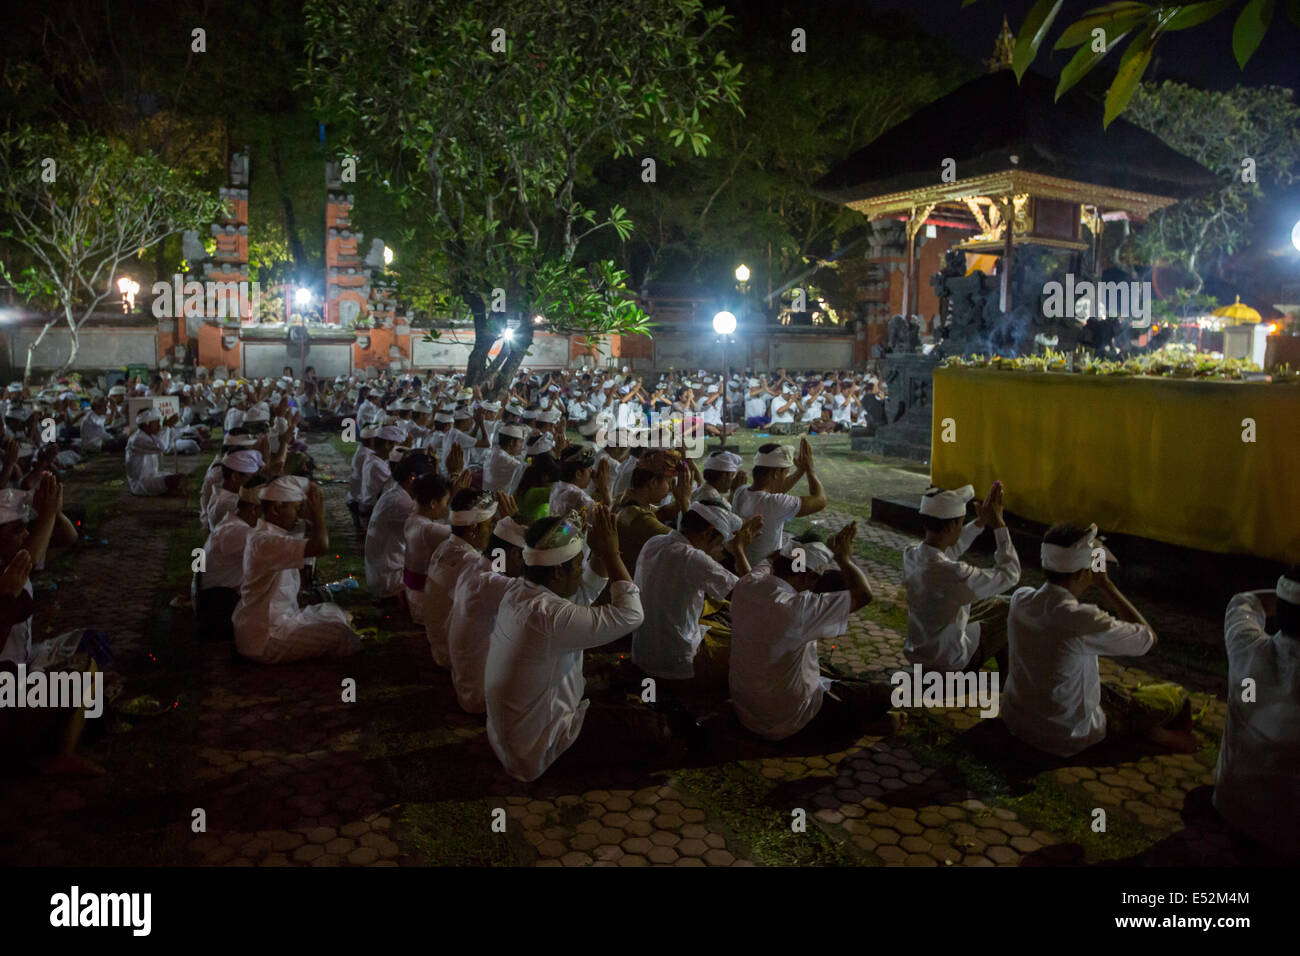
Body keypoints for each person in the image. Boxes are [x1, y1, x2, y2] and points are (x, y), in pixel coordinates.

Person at [485, 506, 676, 781]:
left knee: (615, 683)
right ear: (559, 573)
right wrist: (611, 554)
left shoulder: (519, 591)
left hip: (514, 739)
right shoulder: (548, 616)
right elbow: (632, 615)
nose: (581, 571)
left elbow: (583, 593)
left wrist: (598, 552)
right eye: (577, 565)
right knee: (658, 732)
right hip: (540, 749)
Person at [1000, 523, 1197, 757]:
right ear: (1086, 572)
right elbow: (1148, 638)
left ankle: (1142, 731)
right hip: (1065, 736)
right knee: (1176, 696)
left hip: (1016, 721)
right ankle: (1157, 737)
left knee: (1105, 689)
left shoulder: (1021, 599)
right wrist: (1107, 585)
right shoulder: (1082, 618)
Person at [729, 522, 899, 741]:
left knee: (832, 678)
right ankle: (858, 725)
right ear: (808, 578)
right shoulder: (797, 609)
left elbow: (772, 557)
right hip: (788, 718)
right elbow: (863, 595)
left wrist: (804, 547)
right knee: (885, 695)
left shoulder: (747, 583)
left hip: (746, 710)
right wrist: (843, 558)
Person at [1212, 568, 1300, 857]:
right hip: (1286, 833)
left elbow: (1245, 601)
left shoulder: (1245, 646)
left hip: (1230, 805)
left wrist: (1289, 596)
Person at [233, 477, 363, 663]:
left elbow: (307, 548)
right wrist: (318, 516)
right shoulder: (265, 542)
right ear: (276, 508)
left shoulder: (269, 534)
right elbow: (320, 546)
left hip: (277, 620)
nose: (298, 515)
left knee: (334, 612)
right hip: (264, 637)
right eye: (295, 509)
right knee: (340, 633)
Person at [632, 502, 760, 692]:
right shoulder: (692, 558)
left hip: (643, 651)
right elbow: (751, 596)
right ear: (708, 533)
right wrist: (739, 551)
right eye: (717, 543)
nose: (716, 549)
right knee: (751, 652)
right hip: (673, 660)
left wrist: (728, 550)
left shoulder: (656, 542)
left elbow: (700, 563)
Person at [903, 483, 1020, 673]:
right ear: (951, 525)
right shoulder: (954, 574)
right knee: (1010, 607)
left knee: (994, 603)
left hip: (920, 653)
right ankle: (1005, 677)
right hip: (949, 662)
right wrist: (999, 524)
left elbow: (949, 549)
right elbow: (1010, 574)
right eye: (961, 522)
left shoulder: (911, 555)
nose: (960, 529)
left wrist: (980, 522)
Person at [447, 515, 528, 714]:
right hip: (481, 696)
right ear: (515, 555)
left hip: (466, 684)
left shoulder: (474, 566)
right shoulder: (490, 583)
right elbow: (541, 596)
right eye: (526, 559)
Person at [424, 489, 502, 669]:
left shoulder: (444, 546)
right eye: (489, 525)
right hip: (454, 656)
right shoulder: (471, 563)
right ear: (474, 529)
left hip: (439, 647)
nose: (492, 531)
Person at [732, 438, 826, 566]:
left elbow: (773, 490)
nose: (784, 478)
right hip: (760, 571)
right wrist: (810, 470)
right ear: (776, 473)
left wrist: (800, 471)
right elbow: (820, 501)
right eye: (785, 473)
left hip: (740, 564)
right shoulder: (776, 503)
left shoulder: (741, 492)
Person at [196, 481, 262, 641]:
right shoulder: (238, 532)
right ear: (255, 509)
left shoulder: (233, 524)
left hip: (215, 601)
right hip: (219, 608)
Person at [364, 452, 423, 600]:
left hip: (383, 572)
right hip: (389, 578)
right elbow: (429, 532)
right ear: (412, 478)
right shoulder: (401, 503)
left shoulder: (395, 493)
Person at [402, 471, 454, 625]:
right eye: (446, 501)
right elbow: (462, 531)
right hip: (424, 603)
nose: (446, 507)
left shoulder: (412, 519)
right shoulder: (428, 530)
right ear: (433, 503)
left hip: (412, 594)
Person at [125, 408, 188, 496]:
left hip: (153, 475)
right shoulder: (138, 439)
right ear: (147, 424)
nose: (159, 425)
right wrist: (166, 427)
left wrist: (168, 427)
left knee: (182, 477)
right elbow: (162, 448)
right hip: (141, 483)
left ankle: (171, 490)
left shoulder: (149, 435)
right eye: (157, 422)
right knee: (177, 480)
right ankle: (171, 490)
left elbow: (167, 446)